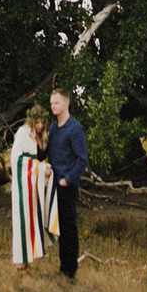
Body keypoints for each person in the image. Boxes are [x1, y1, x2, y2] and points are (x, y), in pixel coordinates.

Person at [47, 88, 89, 281]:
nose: (53, 106)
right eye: (51, 103)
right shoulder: (54, 129)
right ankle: (62, 268)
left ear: (66, 103)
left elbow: (82, 160)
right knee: (59, 228)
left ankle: (70, 272)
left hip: (66, 186)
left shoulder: (75, 129)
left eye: (56, 102)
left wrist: (67, 179)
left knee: (69, 228)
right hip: (53, 185)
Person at [9, 105, 58, 268]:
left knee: (35, 221)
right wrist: (39, 167)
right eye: (37, 123)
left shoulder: (43, 136)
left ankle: (29, 260)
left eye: (42, 123)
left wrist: (46, 168)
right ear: (31, 121)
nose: (40, 126)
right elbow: (16, 160)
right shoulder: (23, 134)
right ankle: (21, 265)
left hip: (37, 186)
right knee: (23, 222)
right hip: (24, 187)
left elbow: (43, 157)